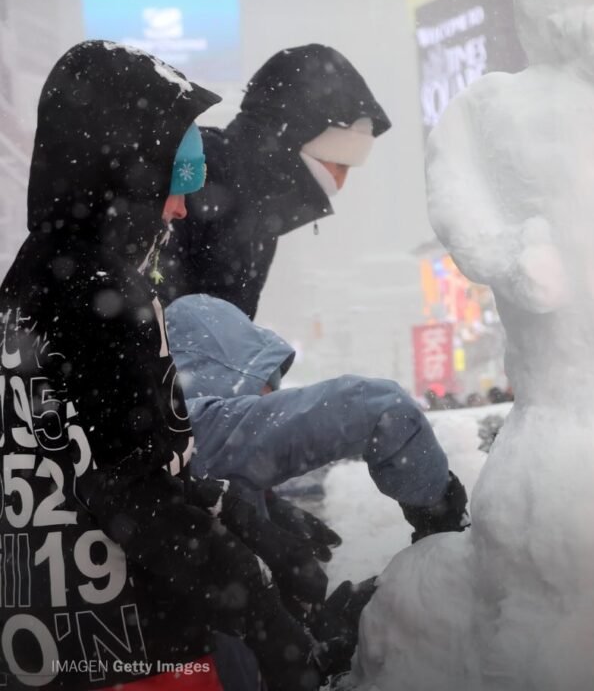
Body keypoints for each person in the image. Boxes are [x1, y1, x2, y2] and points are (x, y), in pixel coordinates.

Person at [0, 41, 365, 691]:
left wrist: (233, 507)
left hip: (52, 632)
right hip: (115, 641)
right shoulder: (100, 289)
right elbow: (131, 493)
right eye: (179, 173)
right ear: (129, 163)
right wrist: (263, 618)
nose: (180, 204)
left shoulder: (43, 269)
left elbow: (105, 456)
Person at [165, 294, 469, 691]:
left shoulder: (146, 452)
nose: (271, 399)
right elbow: (384, 411)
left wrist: (266, 512)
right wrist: (438, 508)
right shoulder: (202, 431)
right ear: (229, 377)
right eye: (264, 386)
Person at [160, 44, 391, 319]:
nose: (340, 182)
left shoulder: (257, 210)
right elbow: (153, 302)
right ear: (296, 138)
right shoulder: (202, 174)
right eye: (339, 163)